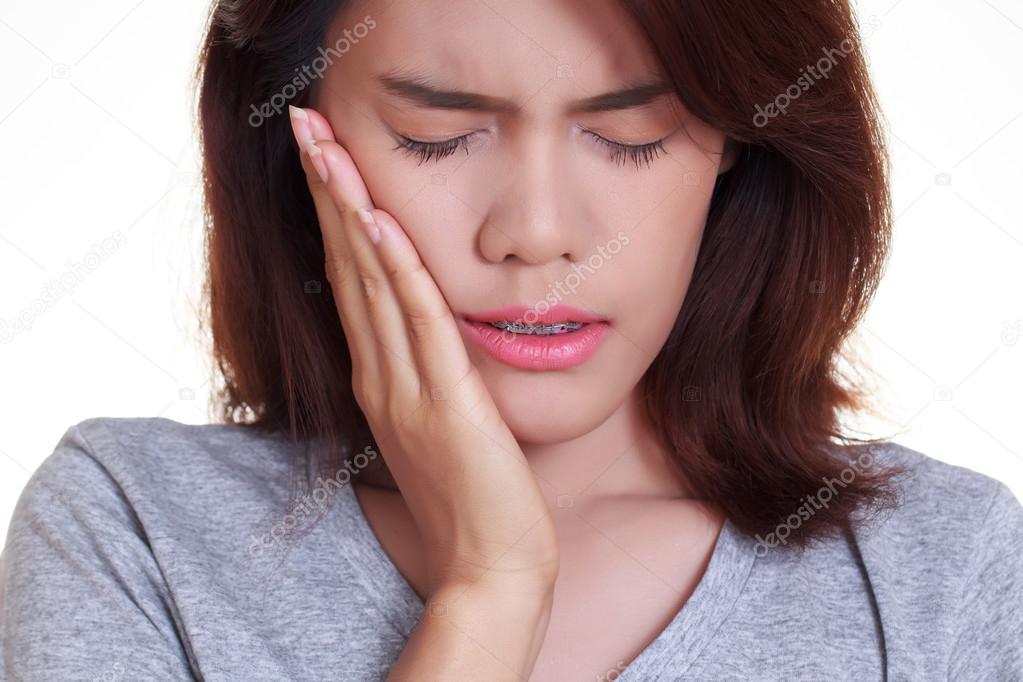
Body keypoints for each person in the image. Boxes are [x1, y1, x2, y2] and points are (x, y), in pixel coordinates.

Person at [2, 0, 1021, 679]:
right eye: (436, 134)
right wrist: (486, 597)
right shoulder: (133, 530)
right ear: (300, 133)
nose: (538, 232)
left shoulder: (944, 569)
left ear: (737, 149)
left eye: (634, 133)